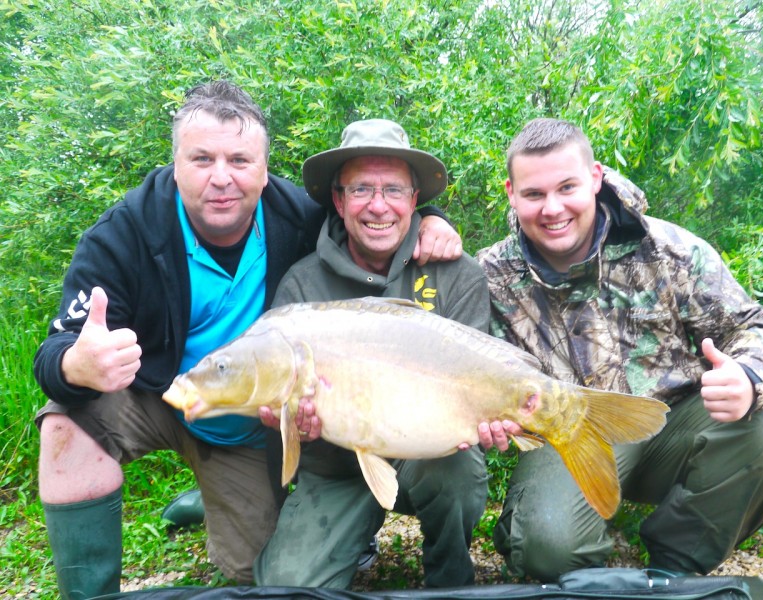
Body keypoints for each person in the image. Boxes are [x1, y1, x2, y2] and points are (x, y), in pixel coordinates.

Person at [32, 81, 463, 599]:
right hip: (156, 392)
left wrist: (431, 221)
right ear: (175, 164)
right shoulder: (124, 233)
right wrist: (76, 366)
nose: (221, 178)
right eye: (201, 158)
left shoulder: (294, 216)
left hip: (245, 422)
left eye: (239, 160)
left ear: (263, 169)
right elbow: (55, 352)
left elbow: (373, 213)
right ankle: (88, 594)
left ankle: (214, 490)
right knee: (65, 421)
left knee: (259, 577)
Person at [476, 117, 763, 582]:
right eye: (533, 194)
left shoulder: (669, 248)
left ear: (595, 177)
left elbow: (757, 330)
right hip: (567, 435)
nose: (552, 208)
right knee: (548, 550)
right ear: (511, 192)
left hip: (672, 426)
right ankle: (560, 545)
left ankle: (675, 567)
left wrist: (748, 378)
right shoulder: (489, 276)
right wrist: (432, 223)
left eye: (567, 187)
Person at [252, 118, 491, 589]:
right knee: (286, 588)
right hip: (336, 469)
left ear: (415, 200)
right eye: (361, 189)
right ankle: (351, 541)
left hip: (425, 456)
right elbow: (277, 395)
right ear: (338, 201)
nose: (378, 206)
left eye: (394, 190)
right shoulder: (301, 284)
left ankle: (450, 577)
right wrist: (287, 417)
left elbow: (475, 387)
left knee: (458, 467)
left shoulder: (458, 275)